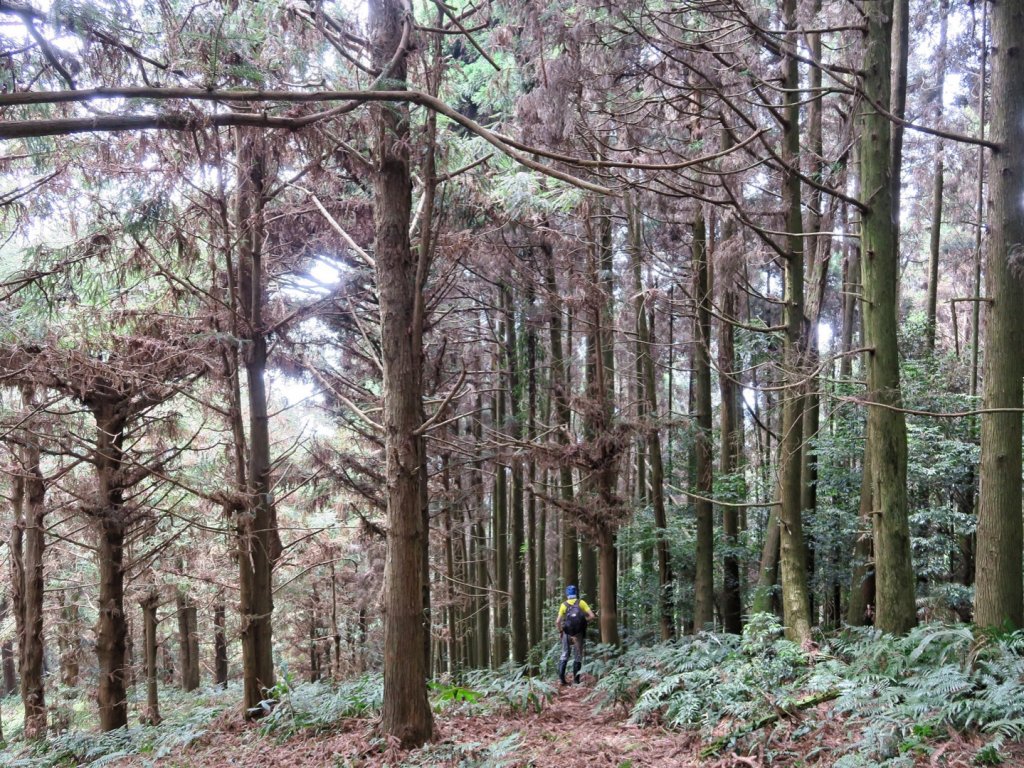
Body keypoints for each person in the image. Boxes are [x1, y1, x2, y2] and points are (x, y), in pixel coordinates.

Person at [556, 585, 596, 685]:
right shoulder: (581, 603)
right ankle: (576, 680)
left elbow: (557, 622)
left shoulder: (564, 605)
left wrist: (561, 631)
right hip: (578, 633)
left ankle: (561, 680)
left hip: (567, 632)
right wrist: (583, 621)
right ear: (576, 593)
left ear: (567, 594)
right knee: (577, 656)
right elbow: (592, 616)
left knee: (565, 654)